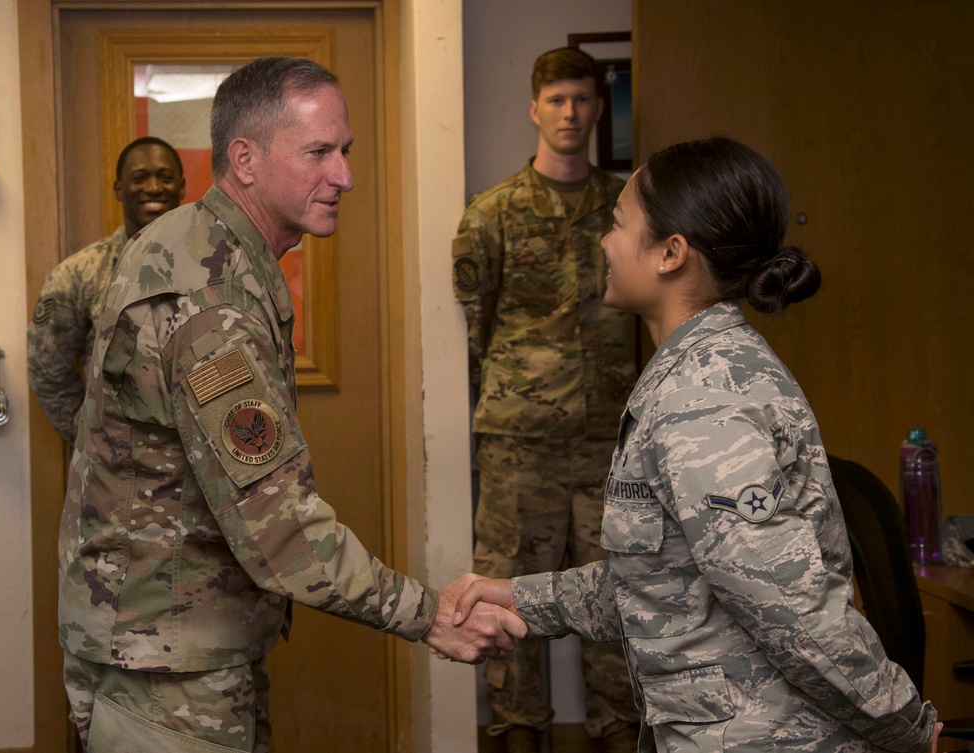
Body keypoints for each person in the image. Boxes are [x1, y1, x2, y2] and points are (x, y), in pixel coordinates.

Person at [58, 56, 526, 753]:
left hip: (174, 642)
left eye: (345, 151)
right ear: (244, 160)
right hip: (164, 667)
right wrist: (429, 613)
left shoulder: (206, 248)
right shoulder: (207, 293)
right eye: (318, 153)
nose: (344, 176)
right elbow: (281, 530)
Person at [453, 136, 945, 753]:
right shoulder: (690, 376)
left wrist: (906, 725)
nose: (604, 241)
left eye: (618, 223)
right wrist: (517, 595)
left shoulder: (706, 399)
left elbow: (794, 615)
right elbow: (663, 582)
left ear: (670, 254)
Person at [451, 47, 641, 752]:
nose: (570, 113)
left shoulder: (627, 211)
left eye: (583, 99)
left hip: (607, 441)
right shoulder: (492, 213)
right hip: (519, 442)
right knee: (509, 593)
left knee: (617, 589)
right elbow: (477, 323)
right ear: (535, 108)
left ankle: (619, 730)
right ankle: (519, 729)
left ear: (598, 107)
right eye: (556, 99)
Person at [27, 137, 187, 443]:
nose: (154, 187)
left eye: (165, 178)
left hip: (201, 470)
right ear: (118, 189)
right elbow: (46, 369)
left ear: (181, 187)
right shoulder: (78, 275)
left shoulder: (212, 268)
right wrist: (92, 440)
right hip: (115, 475)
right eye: (139, 178)